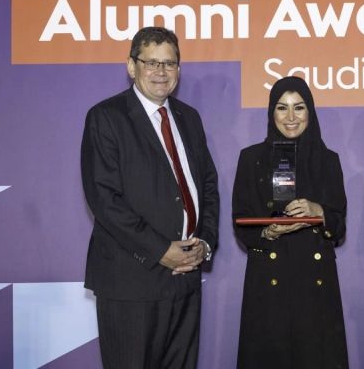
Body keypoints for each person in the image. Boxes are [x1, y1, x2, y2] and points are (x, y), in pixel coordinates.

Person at [80, 26, 219, 369]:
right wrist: (161, 251)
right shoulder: (106, 117)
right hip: (131, 282)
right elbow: (104, 198)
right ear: (131, 66)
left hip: (185, 279)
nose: (161, 72)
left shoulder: (189, 118)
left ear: (179, 70)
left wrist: (205, 243)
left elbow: (208, 186)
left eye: (169, 64)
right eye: (151, 62)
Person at [232, 76, 349, 369]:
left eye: (299, 108)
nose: (291, 117)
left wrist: (318, 210)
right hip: (269, 279)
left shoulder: (328, 160)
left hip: (315, 282)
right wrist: (268, 231)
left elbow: (339, 226)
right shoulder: (251, 158)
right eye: (282, 108)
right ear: (272, 113)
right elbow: (240, 221)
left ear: (310, 111)